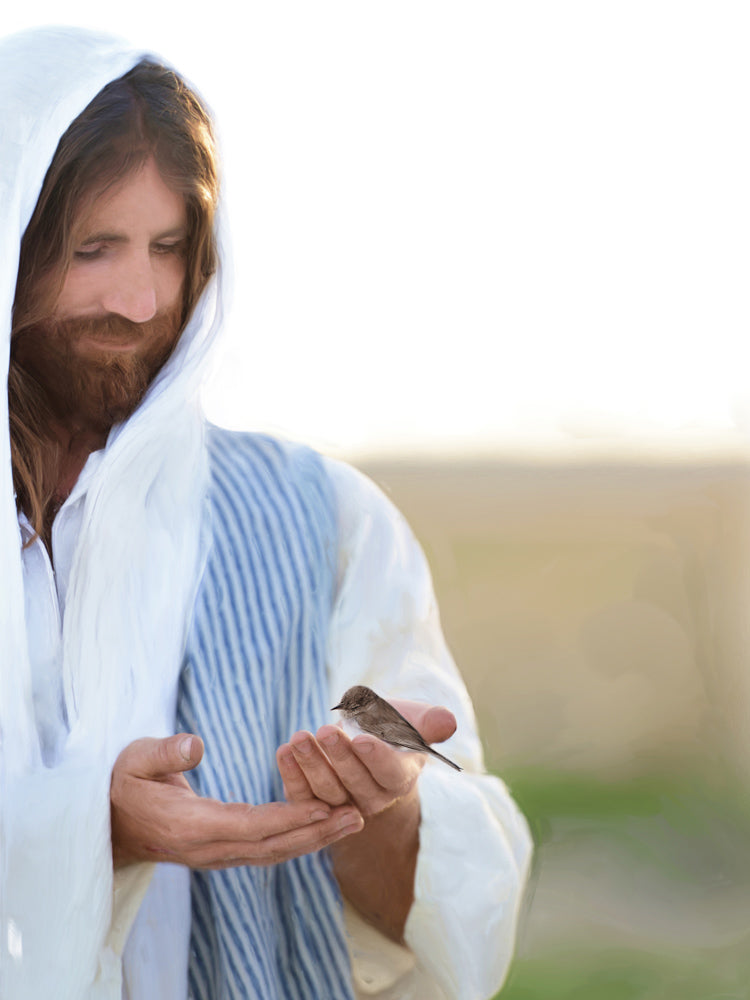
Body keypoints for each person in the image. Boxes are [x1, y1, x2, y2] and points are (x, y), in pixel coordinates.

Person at [0, 25, 532, 1000]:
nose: (138, 297)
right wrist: (88, 831)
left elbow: (454, 908)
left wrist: (380, 805)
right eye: (92, 249)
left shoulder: (320, 518)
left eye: (168, 248)